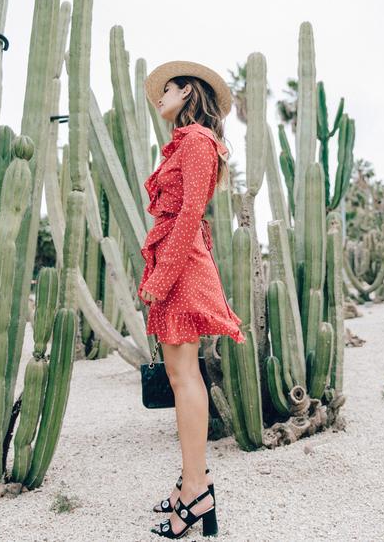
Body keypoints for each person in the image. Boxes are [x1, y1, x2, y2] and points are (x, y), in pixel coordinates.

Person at [137, 60, 246, 539]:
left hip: (181, 268)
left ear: (188, 92)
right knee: (183, 377)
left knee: (185, 379)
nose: (159, 96)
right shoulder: (186, 144)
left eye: (167, 89)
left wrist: (161, 278)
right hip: (176, 265)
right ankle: (192, 485)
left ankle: (196, 493)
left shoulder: (199, 142)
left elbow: (188, 218)